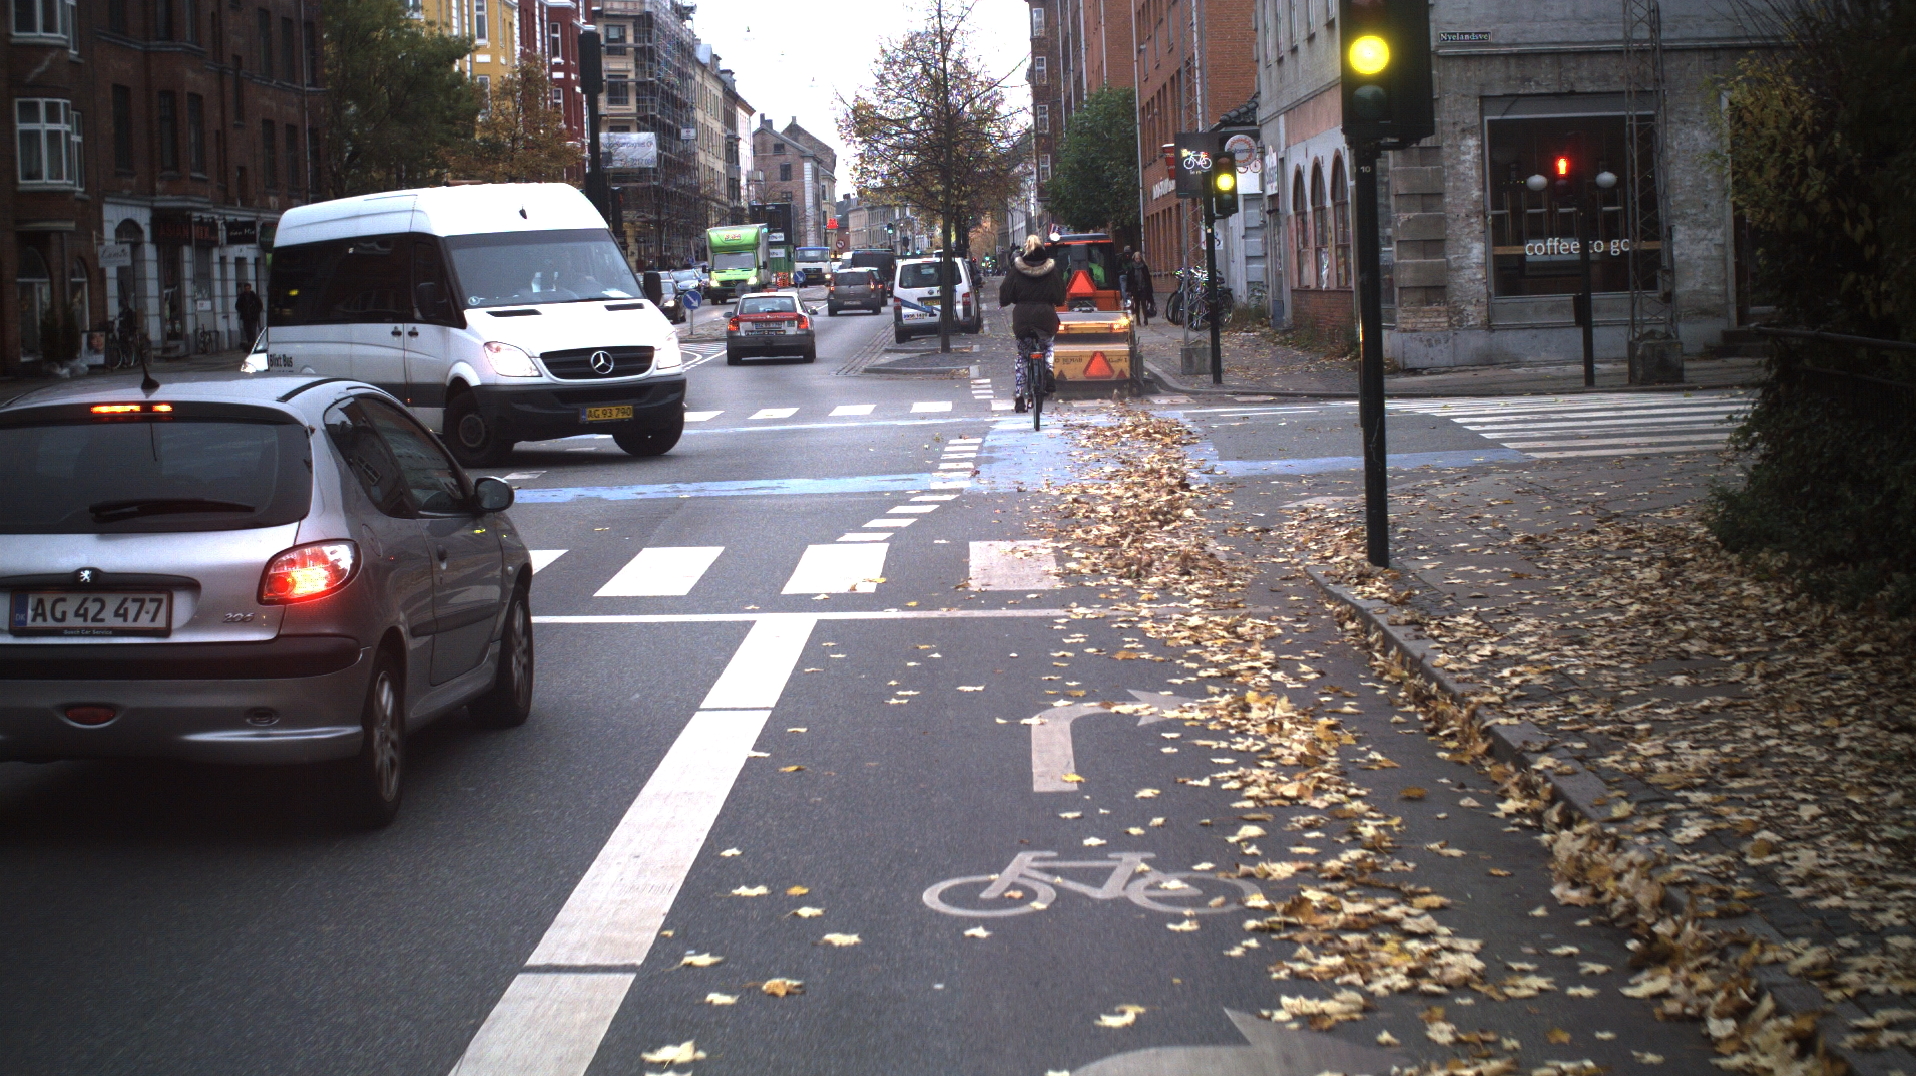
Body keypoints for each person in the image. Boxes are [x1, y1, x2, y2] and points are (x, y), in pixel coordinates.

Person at [997, 235, 1066, 412]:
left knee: (1022, 355)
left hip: (1023, 318)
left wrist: (1006, 301)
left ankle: (1020, 397)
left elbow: (1005, 293)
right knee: (1048, 345)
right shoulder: (1052, 270)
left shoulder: (1016, 269)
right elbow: (1060, 296)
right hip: (1045, 317)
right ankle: (1049, 371)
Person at [1126, 250, 1156, 326]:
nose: (1138, 260)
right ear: (1134, 259)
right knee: (1137, 305)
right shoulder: (1131, 268)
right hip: (1135, 289)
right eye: (1136, 259)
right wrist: (1129, 289)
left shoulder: (1144, 267)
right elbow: (1129, 279)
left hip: (1143, 288)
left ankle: (1145, 319)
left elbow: (1148, 279)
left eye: (1139, 258)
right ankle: (1138, 320)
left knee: (1144, 304)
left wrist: (1149, 289)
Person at [235, 282, 263, 347]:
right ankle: (250, 342)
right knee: (247, 330)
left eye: (248, 288)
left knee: (253, 330)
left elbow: (260, 305)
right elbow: (237, 306)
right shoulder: (242, 297)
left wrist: (256, 312)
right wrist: (242, 310)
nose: (247, 290)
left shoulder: (254, 296)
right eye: (246, 288)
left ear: (250, 288)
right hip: (246, 317)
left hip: (253, 317)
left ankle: (253, 343)